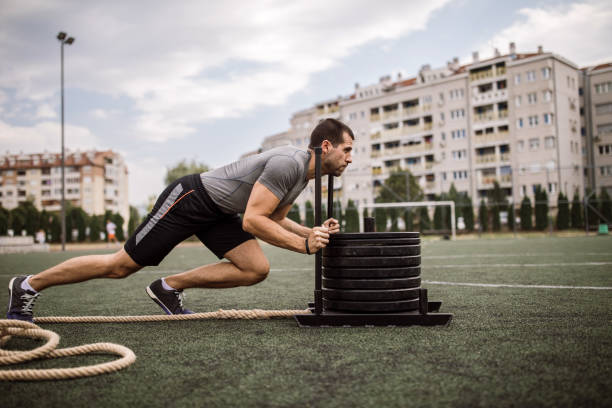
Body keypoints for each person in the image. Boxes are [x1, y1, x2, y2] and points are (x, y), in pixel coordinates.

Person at [6, 118, 354, 321]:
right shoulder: (288, 164)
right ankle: (28, 285)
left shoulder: (304, 176)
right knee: (121, 266)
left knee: (255, 268)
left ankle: (168, 287)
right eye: (347, 149)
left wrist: (311, 232)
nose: (350, 158)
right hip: (191, 198)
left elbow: (275, 218)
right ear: (326, 146)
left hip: (219, 212)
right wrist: (304, 244)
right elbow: (253, 221)